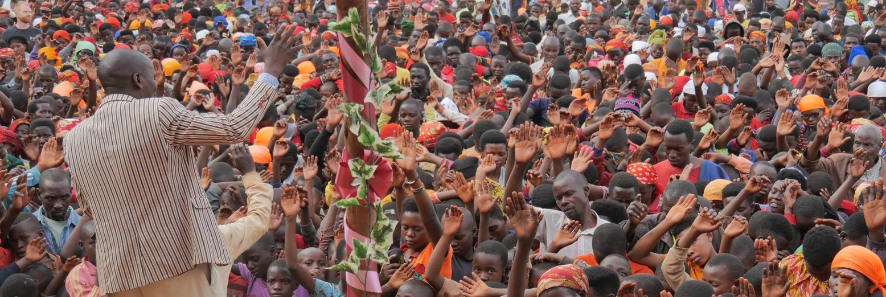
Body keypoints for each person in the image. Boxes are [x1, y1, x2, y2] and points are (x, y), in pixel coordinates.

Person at [62, 28, 300, 295]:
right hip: (176, 262)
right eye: (152, 79)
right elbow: (235, 128)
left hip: (118, 274)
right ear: (139, 80)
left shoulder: (74, 138)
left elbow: (88, 206)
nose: (154, 86)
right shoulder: (158, 110)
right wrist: (271, 70)